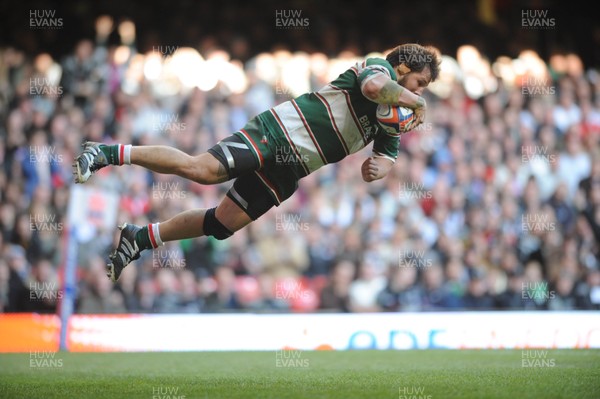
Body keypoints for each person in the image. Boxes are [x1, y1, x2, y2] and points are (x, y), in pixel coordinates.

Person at [73, 43, 441, 282]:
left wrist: (379, 168)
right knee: (202, 170)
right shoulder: (380, 68)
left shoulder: (392, 115)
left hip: (294, 167)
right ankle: (105, 153)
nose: (420, 93)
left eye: (423, 90)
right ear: (404, 67)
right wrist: (418, 102)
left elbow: (386, 157)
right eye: (420, 83)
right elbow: (374, 89)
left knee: (221, 224)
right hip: (279, 133)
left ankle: (140, 238)